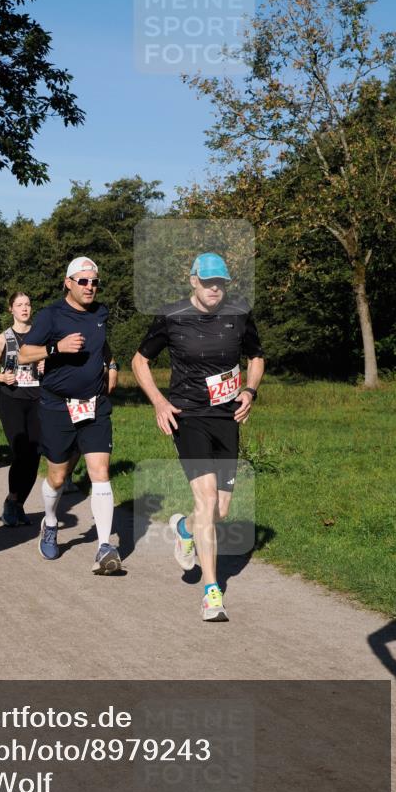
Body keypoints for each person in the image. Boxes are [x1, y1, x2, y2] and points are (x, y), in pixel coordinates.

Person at [131, 252, 265, 622]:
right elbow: (139, 361)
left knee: (219, 511)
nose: (214, 290)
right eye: (208, 283)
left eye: (220, 283)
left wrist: (250, 391)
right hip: (188, 416)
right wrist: (159, 402)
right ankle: (212, 591)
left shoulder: (238, 315)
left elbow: (256, 356)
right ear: (193, 281)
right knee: (206, 501)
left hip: (226, 418)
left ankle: (183, 528)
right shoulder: (172, 317)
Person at [19, 257, 121, 575]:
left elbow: (104, 347)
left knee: (100, 471)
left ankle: (105, 546)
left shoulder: (101, 313)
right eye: (84, 281)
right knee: (58, 476)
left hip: (94, 404)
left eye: (95, 281)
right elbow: (24, 354)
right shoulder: (51, 316)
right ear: (68, 282)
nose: (90, 287)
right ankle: (50, 522)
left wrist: (113, 366)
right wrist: (55, 348)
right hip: (57, 406)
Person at [0, 291, 42, 527]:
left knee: (35, 453)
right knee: (20, 452)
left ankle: (18, 504)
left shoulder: (40, 336)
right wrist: (0, 377)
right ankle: (12, 500)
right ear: (11, 309)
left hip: (37, 398)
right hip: (12, 399)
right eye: (19, 305)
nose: (25, 308)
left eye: (28, 304)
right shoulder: (2, 339)